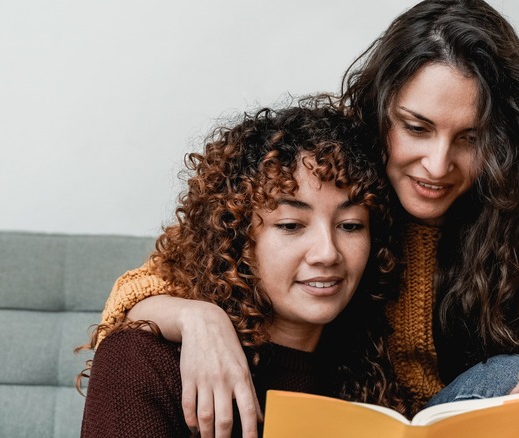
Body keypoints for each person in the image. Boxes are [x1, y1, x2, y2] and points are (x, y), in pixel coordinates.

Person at [93, 1, 519, 437]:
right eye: (416, 128)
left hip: (480, 419)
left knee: (513, 382)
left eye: (469, 138)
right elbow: (157, 281)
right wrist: (197, 319)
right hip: (361, 415)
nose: (438, 165)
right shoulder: (337, 174)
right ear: (380, 111)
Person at [79, 100, 405, 437]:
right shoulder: (144, 360)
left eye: (351, 226)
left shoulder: (374, 374)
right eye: (291, 225)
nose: (327, 253)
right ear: (237, 237)